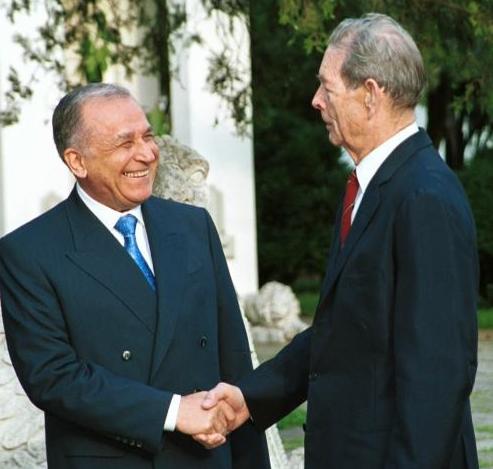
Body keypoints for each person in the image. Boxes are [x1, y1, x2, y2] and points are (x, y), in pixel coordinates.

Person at [201, 13, 479, 469]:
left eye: (326, 88)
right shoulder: (371, 188)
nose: (315, 101)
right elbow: (344, 329)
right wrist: (250, 397)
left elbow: (437, 375)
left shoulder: (424, 197)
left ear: (370, 94)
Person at [0, 83, 269, 469]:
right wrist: (173, 411)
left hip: (207, 457)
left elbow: (234, 358)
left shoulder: (193, 226)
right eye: (125, 143)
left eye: (148, 136)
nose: (146, 153)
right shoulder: (29, 251)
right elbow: (53, 377)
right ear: (77, 162)